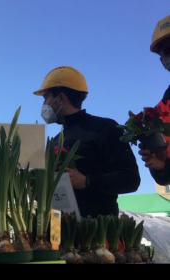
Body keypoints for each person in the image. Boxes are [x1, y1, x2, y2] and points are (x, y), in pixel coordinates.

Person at [34, 66, 141, 217]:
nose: (44, 104)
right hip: (57, 230)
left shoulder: (105, 128)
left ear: (60, 98)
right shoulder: (55, 141)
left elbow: (131, 180)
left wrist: (87, 181)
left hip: (96, 233)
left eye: (46, 97)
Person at [139, 15, 170, 186]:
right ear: (162, 60)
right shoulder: (159, 113)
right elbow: (164, 178)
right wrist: (160, 166)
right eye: (167, 51)